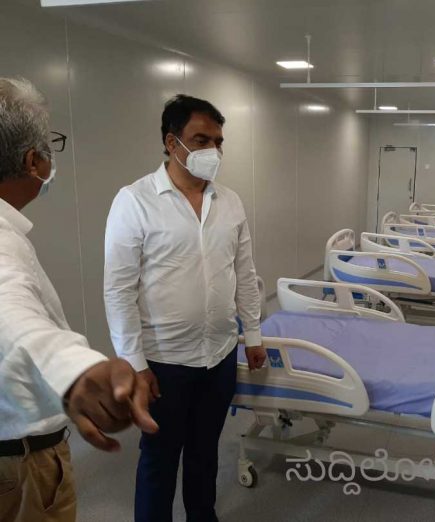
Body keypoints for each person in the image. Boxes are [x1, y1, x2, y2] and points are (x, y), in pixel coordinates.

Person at [0, 77, 158, 522]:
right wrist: (74, 370)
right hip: (19, 462)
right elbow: (9, 310)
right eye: (50, 146)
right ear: (33, 162)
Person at [104, 94, 266, 522]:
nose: (213, 150)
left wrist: (252, 334)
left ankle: (201, 515)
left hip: (220, 355)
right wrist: (135, 363)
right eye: (201, 139)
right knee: (159, 458)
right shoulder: (135, 201)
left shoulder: (229, 202)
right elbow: (118, 290)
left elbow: (244, 273)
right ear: (171, 142)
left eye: (218, 141)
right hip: (163, 363)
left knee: (204, 451)